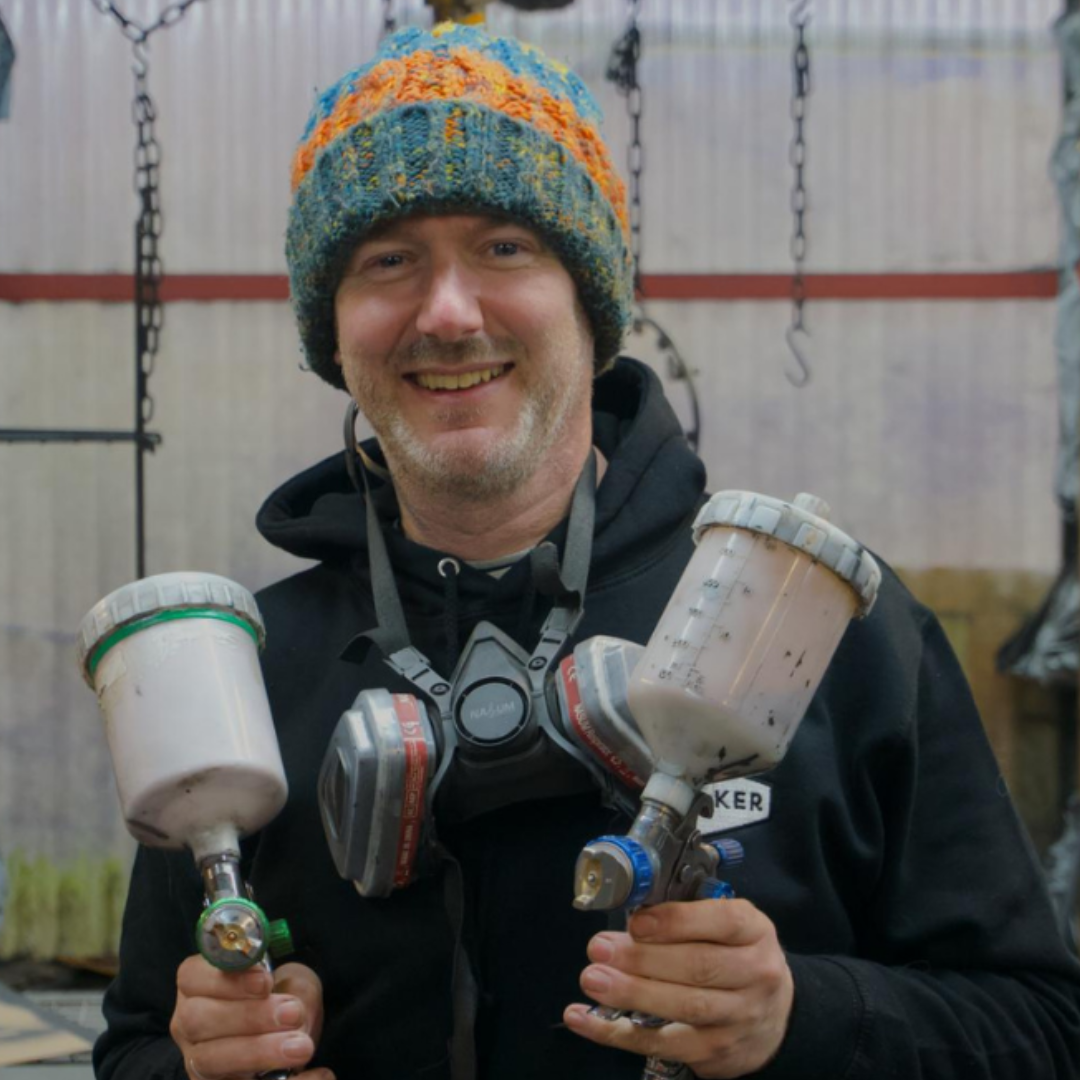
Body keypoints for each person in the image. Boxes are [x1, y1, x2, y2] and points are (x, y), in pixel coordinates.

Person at [93, 21, 1080, 1080]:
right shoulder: (244, 680)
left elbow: (1041, 1029)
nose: (448, 311)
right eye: (389, 261)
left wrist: (803, 1017)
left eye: (504, 247)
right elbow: (140, 1045)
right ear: (331, 334)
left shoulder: (819, 632)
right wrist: (199, 1064)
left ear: (590, 301)